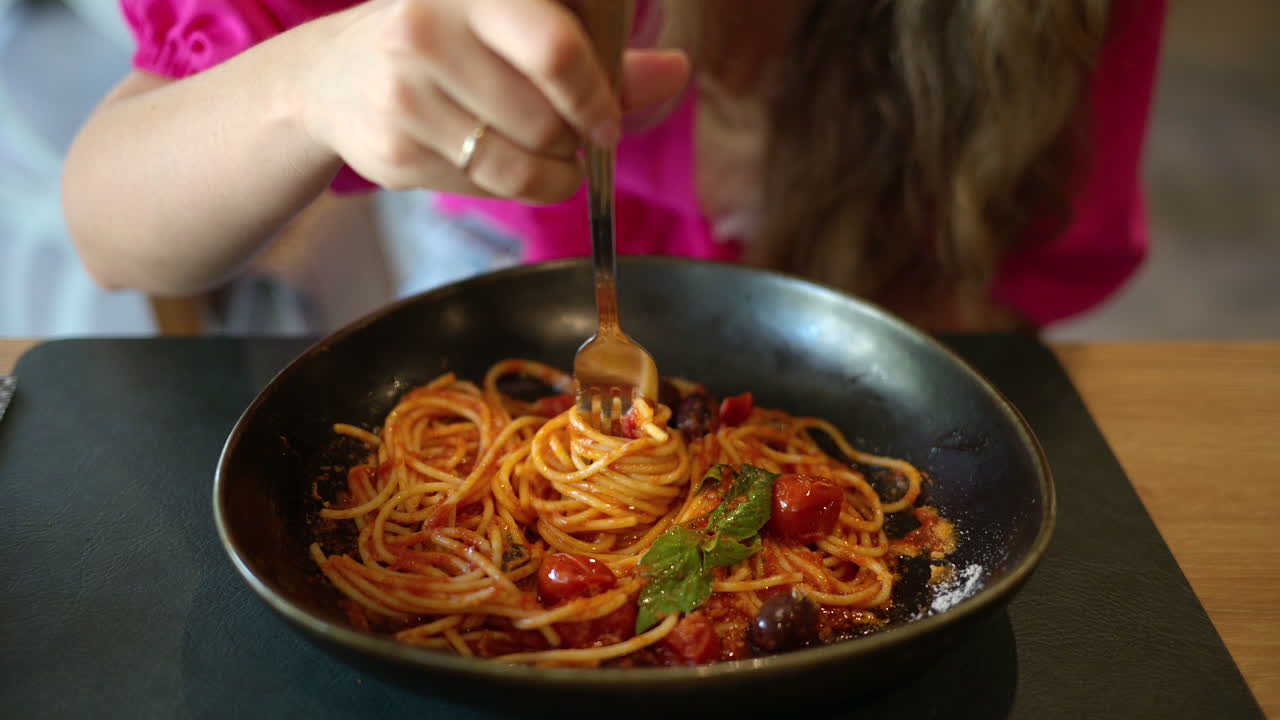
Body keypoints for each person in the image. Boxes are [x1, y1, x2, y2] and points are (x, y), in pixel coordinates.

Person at [63, 0, 1166, 332]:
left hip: (893, 276)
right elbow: (111, 226)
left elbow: (992, 279)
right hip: (502, 235)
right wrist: (301, 87)